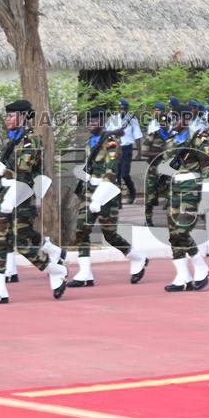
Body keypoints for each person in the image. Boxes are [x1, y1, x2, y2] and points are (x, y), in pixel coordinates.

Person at [0, 100, 69, 304]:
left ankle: (56, 270)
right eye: (7, 115)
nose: (7, 119)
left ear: (22, 117)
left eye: (11, 116)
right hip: (4, 197)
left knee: (22, 244)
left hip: (22, 198)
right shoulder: (11, 141)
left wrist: (3, 170)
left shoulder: (31, 142)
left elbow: (24, 173)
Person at [71, 107, 148, 287]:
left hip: (107, 193)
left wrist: (98, 198)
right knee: (81, 230)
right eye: (89, 121)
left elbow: (111, 171)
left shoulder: (111, 143)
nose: (90, 124)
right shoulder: (90, 142)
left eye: (94, 121)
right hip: (90, 190)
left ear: (103, 122)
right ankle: (85, 273)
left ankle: (137, 258)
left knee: (110, 234)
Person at [159, 106, 209, 291]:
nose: (173, 122)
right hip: (174, 191)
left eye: (176, 118)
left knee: (182, 231)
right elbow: (165, 166)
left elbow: (208, 168)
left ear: (186, 119)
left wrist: (207, 197)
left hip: (192, 190)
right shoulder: (170, 142)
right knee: (174, 235)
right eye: (172, 118)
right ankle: (182, 276)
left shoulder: (199, 139)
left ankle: (201, 266)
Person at [107, 98, 143, 203]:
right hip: (115, 148)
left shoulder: (132, 120)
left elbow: (137, 136)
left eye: (124, 108)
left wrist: (139, 152)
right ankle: (117, 199)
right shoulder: (113, 119)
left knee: (125, 174)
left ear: (127, 108)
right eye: (121, 107)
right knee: (116, 174)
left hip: (127, 149)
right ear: (119, 108)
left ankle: (132, 192)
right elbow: (108, 134)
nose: (122, 109)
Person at [141, 103, 171, 227]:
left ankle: (172, 220)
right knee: (150, 196)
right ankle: (148, 219)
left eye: (166, 123)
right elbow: (143, 152)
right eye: (161, 123)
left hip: (168, 170)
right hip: (154, 169)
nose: (164, 125)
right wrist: (158, 153)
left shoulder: (172, 137)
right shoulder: (153, 135)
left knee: (172, 194)